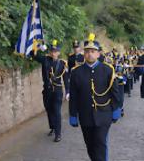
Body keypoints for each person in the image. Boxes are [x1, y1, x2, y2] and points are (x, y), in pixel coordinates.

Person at [69, 33, 121, 161]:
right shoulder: (76, 72)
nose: (90, 54)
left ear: (98, 54)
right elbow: (74, 96)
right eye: (87, 51)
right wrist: (73, 114)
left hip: (104, 114)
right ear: (83, 54)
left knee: (100, 143)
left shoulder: (108, 70)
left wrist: (116, 109)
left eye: (93, 51)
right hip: (85, 115)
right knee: (90, 146)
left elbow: (115, 92)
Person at [31, 40, 69, 142]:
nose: (53, 53)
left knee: (56, 111)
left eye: (55, 51)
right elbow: (33, 54)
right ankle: (52, 127)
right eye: (52, 51)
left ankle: (58, 133)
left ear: (59, 52)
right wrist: (37, 46)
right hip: (47, 91)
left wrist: (68, 91)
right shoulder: (45, 59)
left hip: (57, 91)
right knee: (49, 110)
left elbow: (65, 78)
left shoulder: (62, 64)